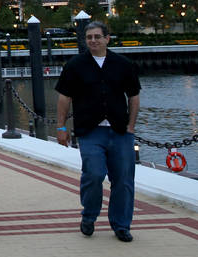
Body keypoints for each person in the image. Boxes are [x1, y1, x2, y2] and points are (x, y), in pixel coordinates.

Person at [55, 20, 141, 243]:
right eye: (89, 37)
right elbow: (64, 97)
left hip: (120, 131)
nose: (93, 41)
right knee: (93, 175)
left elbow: (134, 96)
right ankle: (89, 216)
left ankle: (121, 225)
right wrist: (61, 127)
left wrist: (131, 126)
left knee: (123, 180)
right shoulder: (75, 65)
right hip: (90, 132)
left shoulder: (123, 64)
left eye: (97, 37)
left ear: (107, 38)